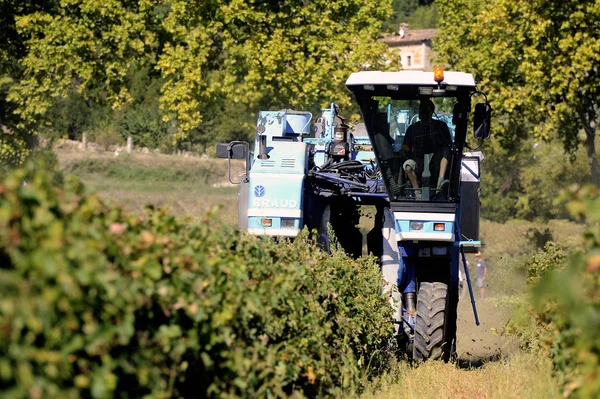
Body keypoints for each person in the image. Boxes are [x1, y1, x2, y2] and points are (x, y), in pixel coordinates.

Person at [401, 99, 452, 198]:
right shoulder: (412, 129)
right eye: (421, 110)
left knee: (446, 150)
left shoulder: (440, 127)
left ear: (431, 112)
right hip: (418, 162)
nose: (422, 114)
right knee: (407, 166)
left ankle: (440, 182)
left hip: (436, 163)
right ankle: (417, 193)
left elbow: (448, 146)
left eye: (425, 111)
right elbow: (404, 146)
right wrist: (408, 151)